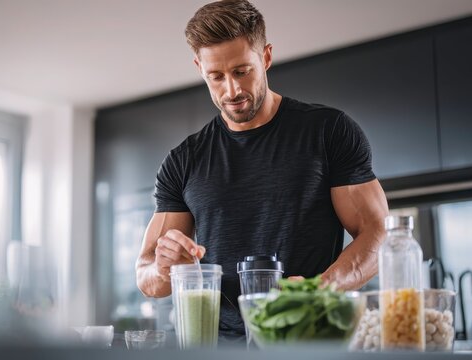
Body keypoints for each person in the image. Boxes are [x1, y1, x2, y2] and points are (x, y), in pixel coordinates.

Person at [135, 0, 389, 339]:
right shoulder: (184, 160)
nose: (232, 90)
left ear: (266, 56)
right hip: (219, 346)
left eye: (242, 71)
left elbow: (378, 232)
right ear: (199, 67)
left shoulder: (328, 131)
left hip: (307, 338)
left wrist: (318, 289)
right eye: (216, 77)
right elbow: (147, 277)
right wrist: (165, 266)